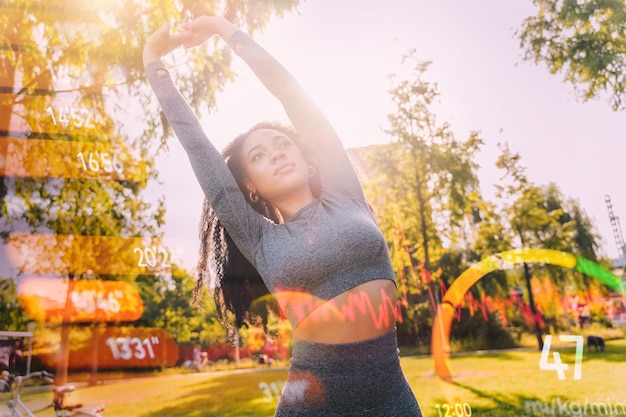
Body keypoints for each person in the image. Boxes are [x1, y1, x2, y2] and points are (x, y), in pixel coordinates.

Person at [144, 15, 422, 416]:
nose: (275, 153)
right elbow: (197, 145)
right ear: (250, 186)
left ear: (308, 160)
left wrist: (225, 29)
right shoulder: (259, 237)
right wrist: (154, 61)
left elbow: (293, 95)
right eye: (257, 156)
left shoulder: (346, 194)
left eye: (282, 144)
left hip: (390, 397)